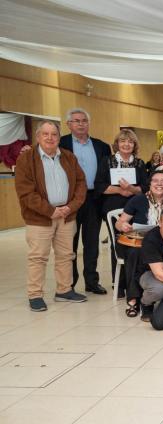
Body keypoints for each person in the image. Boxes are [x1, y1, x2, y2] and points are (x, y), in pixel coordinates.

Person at [16, 120, 88, 312]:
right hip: (40, 218)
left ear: (59, 137)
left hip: (66, 215)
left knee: (66, 255)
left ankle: (64, 290)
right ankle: (35, 295)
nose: (50, 138)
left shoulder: (68, 157)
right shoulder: (26, 159)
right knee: (38, 257)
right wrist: (51, 210)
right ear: (38, 137)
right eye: (45, 134)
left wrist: (70, 207)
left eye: (54, 134)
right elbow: (25, 192)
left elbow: (81, 183)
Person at [59, 108, 110, 295]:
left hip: (93, 199)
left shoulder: (102, 146)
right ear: (69, 124)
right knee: (69, 243)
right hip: (69, 200)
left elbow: (106, 175)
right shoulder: (60, 143)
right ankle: (69, 283)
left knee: (91, 243)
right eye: (76, 121)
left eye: (84, 120)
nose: (80, 124)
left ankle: (91, 281)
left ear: (89, 123)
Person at [94, 130, 147, 297]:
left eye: (130, 142)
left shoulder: (139, 163)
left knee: (136, 242)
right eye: (123, 141)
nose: (126, 145)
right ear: (117, 143)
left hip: (136, 208)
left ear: (134, 145)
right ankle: (119, 283)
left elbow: (145, 188)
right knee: (117, 243)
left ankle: (135, 280)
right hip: (113, 207)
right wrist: (120, 190)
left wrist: (131, 189)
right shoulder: (106, 161)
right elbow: (99, 185)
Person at [114, 171, 163, 317]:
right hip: (136, 244)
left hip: (159, 246)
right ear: (150, 184)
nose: (159, 184)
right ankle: (134, 300)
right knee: (136, 253)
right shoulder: (138, 200)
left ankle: (160, 294)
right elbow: (119, 222)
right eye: (155, 181)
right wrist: (124, 226)